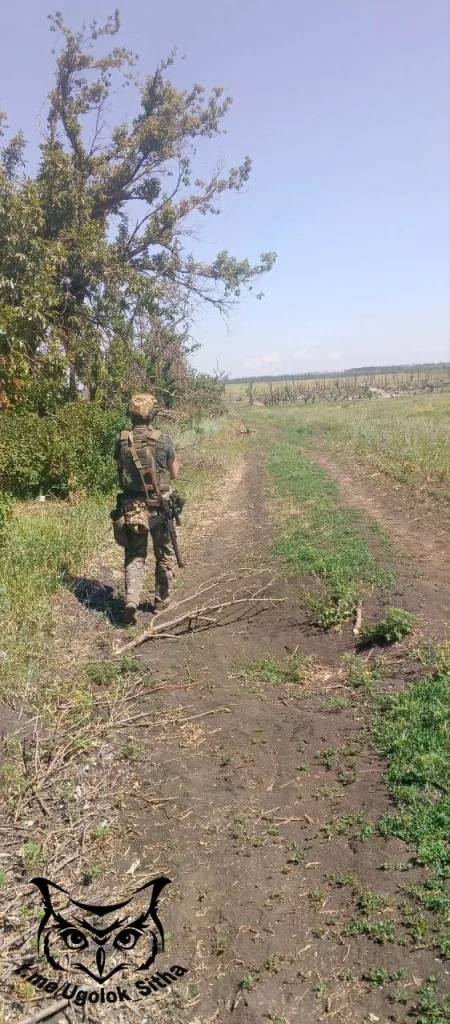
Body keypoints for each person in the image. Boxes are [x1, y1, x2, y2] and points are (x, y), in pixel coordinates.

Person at [114, 393, 180, 625]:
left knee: (134, 555)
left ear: (131, 414)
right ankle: (161, 600)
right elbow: (174, 473)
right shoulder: (163, 439)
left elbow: (120, 471)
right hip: (159, 507)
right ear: (152, 414)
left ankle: (131, 600)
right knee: (163, 554)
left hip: (132, 508)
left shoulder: (122, 440)